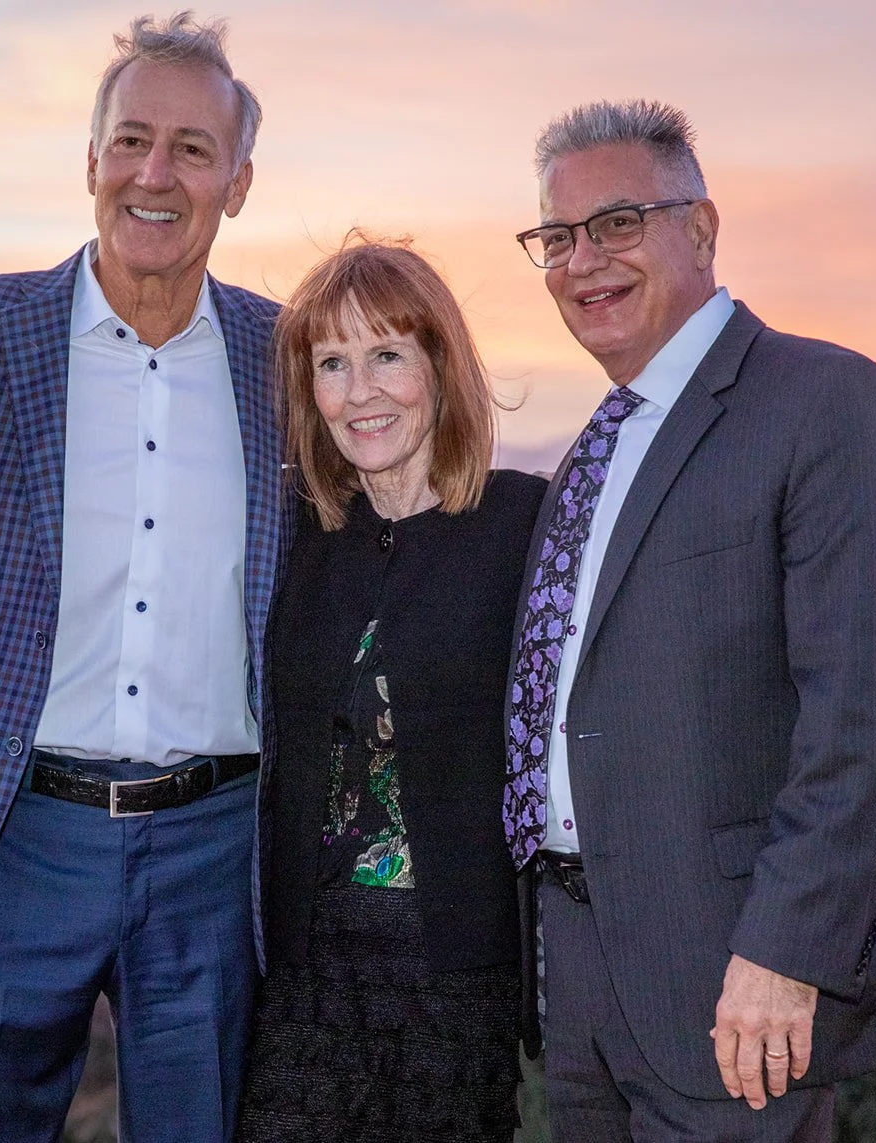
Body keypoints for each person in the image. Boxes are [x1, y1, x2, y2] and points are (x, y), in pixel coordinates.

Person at [502, 100, 876, 1141]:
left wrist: (787, 953)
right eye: (558, 237)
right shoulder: (595, 446)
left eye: (618, 223)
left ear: (701, 229)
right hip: (578, 977)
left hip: (733, 981)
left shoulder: (826, 401)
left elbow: (862, 714)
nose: (584, 261)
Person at [0, 15, 285, 1142]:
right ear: (89, 161)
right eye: (130, 141)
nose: (154, 175)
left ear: (239, 183)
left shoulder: (289, 358)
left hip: (216, 848)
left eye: (191, 149)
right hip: (18, 830)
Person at [236, 239, 544, 1143]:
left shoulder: (526, 525)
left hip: (455, 971)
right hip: (304, 974)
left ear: (439, 366)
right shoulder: (296, 537)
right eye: (332, 363)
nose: (359, 390)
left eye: (386, 356)